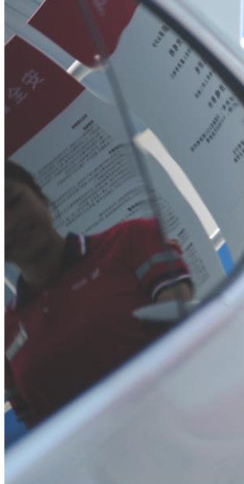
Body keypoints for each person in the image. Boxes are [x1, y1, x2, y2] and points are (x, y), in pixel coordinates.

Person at [5, 159, 194, 428]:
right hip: (99, 456)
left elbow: (190, 334)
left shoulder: (133, 239)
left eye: (12, 201)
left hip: (192, 431)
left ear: (40, 195)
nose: (9, 223)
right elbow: (37, 427)